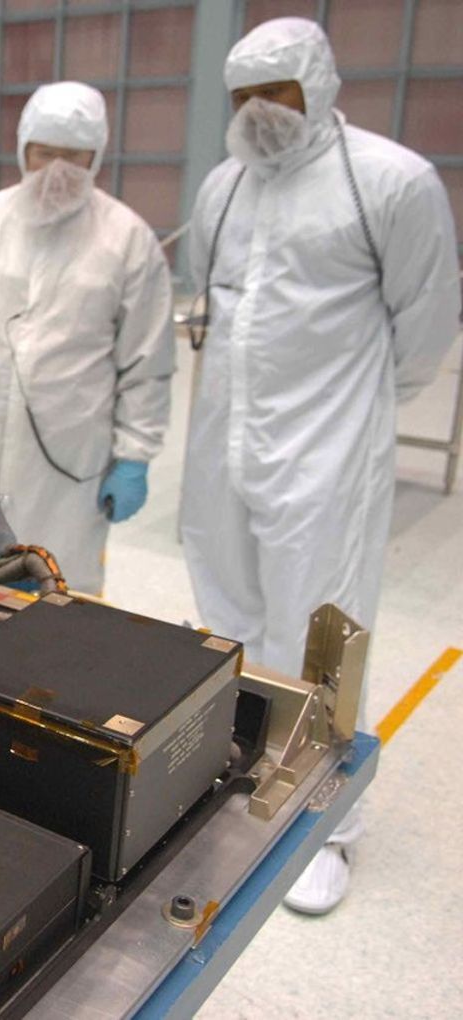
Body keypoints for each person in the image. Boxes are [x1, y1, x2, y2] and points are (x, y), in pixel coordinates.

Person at [182, 18, 459, 915]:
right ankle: (243, 765)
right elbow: (209, 294)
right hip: (225, 442)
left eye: (280, 92)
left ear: (320, 85)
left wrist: (359, 410)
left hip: (328, 452)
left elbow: (423, 326)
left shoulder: (390, 180)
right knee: (227, 609)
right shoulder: (224, 186)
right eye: (243, 97)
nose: (260, 113)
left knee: (322, 632)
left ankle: (325, 824)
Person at [0, 82, 175, 594]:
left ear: (95, 157)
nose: (57, 169)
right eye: (45, 153)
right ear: (23, 150)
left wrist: (135, 455)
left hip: (72, 469)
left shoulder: (127, 239)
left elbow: (147, 362)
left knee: (59, 594)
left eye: (73, 156)